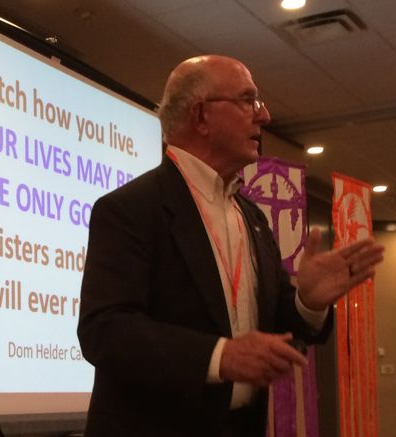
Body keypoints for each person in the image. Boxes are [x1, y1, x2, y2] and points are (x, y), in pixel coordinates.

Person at [76, 55, 384, 437]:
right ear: (201, 116)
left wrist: (308, 302)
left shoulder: (252, 218)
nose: (265, 115)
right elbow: (105, 331)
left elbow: (271, 328)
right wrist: (221, 356)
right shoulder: (130, 209)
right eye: (248, 100)